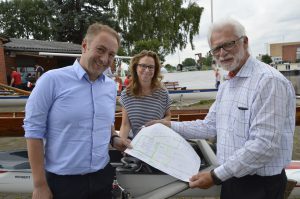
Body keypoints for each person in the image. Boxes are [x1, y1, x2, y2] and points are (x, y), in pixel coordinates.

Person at [147, 18, 296, 199]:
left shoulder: (268, 81)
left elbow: (263, 146)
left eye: (228, 44)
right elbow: (210, 125)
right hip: (232, 179)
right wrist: (169, 126)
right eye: (216, 49)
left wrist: (215, 175)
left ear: (245, 42)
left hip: (258, 185)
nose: (222, 53)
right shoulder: (228, 83)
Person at [24, 23, 131, 199]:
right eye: (100, 50)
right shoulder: (51, 81)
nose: (105, 59)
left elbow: (107, 122)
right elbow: (33, 132)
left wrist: (114, 138)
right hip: (63, 184)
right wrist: (39, 184)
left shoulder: (111, 87)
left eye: (111, 54)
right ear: (84, 46)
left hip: (101, 178)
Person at [119, 50, 172, 139]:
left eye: (151, 67)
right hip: (137, 146)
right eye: (143, 66)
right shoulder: (126, 94)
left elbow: (168, 116)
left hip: (159, 143)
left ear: (155, 70)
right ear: (136, 67)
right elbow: (125, 125)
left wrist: (161, 122)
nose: (147, 70)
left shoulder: (163, 93)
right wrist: (122, 142)